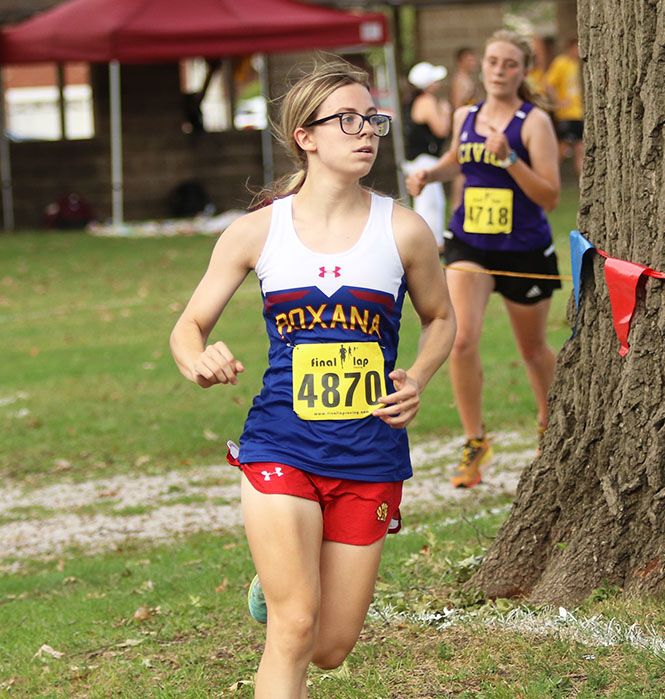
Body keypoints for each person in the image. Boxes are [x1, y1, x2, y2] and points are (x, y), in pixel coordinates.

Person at [170, 58, 455, 698]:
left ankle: (277, 582)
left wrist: (419, 376)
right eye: (347, 120)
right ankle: (287, 582)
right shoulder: (257, 232)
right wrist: (200, 360)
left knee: (328, 646)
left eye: (373, 120)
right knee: (296, 628)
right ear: (306, 135)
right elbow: (187, 328)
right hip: (281, 443)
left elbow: (441, 319)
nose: (366, 132)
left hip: (369, 450)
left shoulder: (404, 231)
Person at [406, 29, 561, 489]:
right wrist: (429, 174)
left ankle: (549, 430)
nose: (498, 70)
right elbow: (459, 159)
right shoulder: (465, 115)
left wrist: (510, 157)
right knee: (460, 339)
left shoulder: (533, 122)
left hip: (524, 249)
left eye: (509, 63)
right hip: (469, 244)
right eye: (492, 61)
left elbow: (550, 195)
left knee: (532, 350)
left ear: (522, 71)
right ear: (482, 66)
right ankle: (475, 442)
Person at [401, 61, 452, 247]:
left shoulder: (411, 100)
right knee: (431, 203)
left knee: (429, 201)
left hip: (417, 159)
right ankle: (431, 243)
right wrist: (446, 113)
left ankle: (430, 241)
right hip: (425, 159)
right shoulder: (427, 101)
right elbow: (441, 130)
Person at [448, 47, 482, 212]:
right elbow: (458, 108)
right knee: (462, 168)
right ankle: (456, 205)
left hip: (471, 125)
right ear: (461, 60)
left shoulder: (468, 79)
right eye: (469, 59)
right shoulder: (459, 81)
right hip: (464, 128)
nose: (473, 63)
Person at [543, 37, 584, 176]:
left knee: (580, 149)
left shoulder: (579, 64)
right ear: (571, 47)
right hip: (566, 114)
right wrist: (558, 102)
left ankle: (583, 185)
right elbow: (548, 84)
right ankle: (548, 175)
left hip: (579, 113)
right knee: (562, 148)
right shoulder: (561, 63)